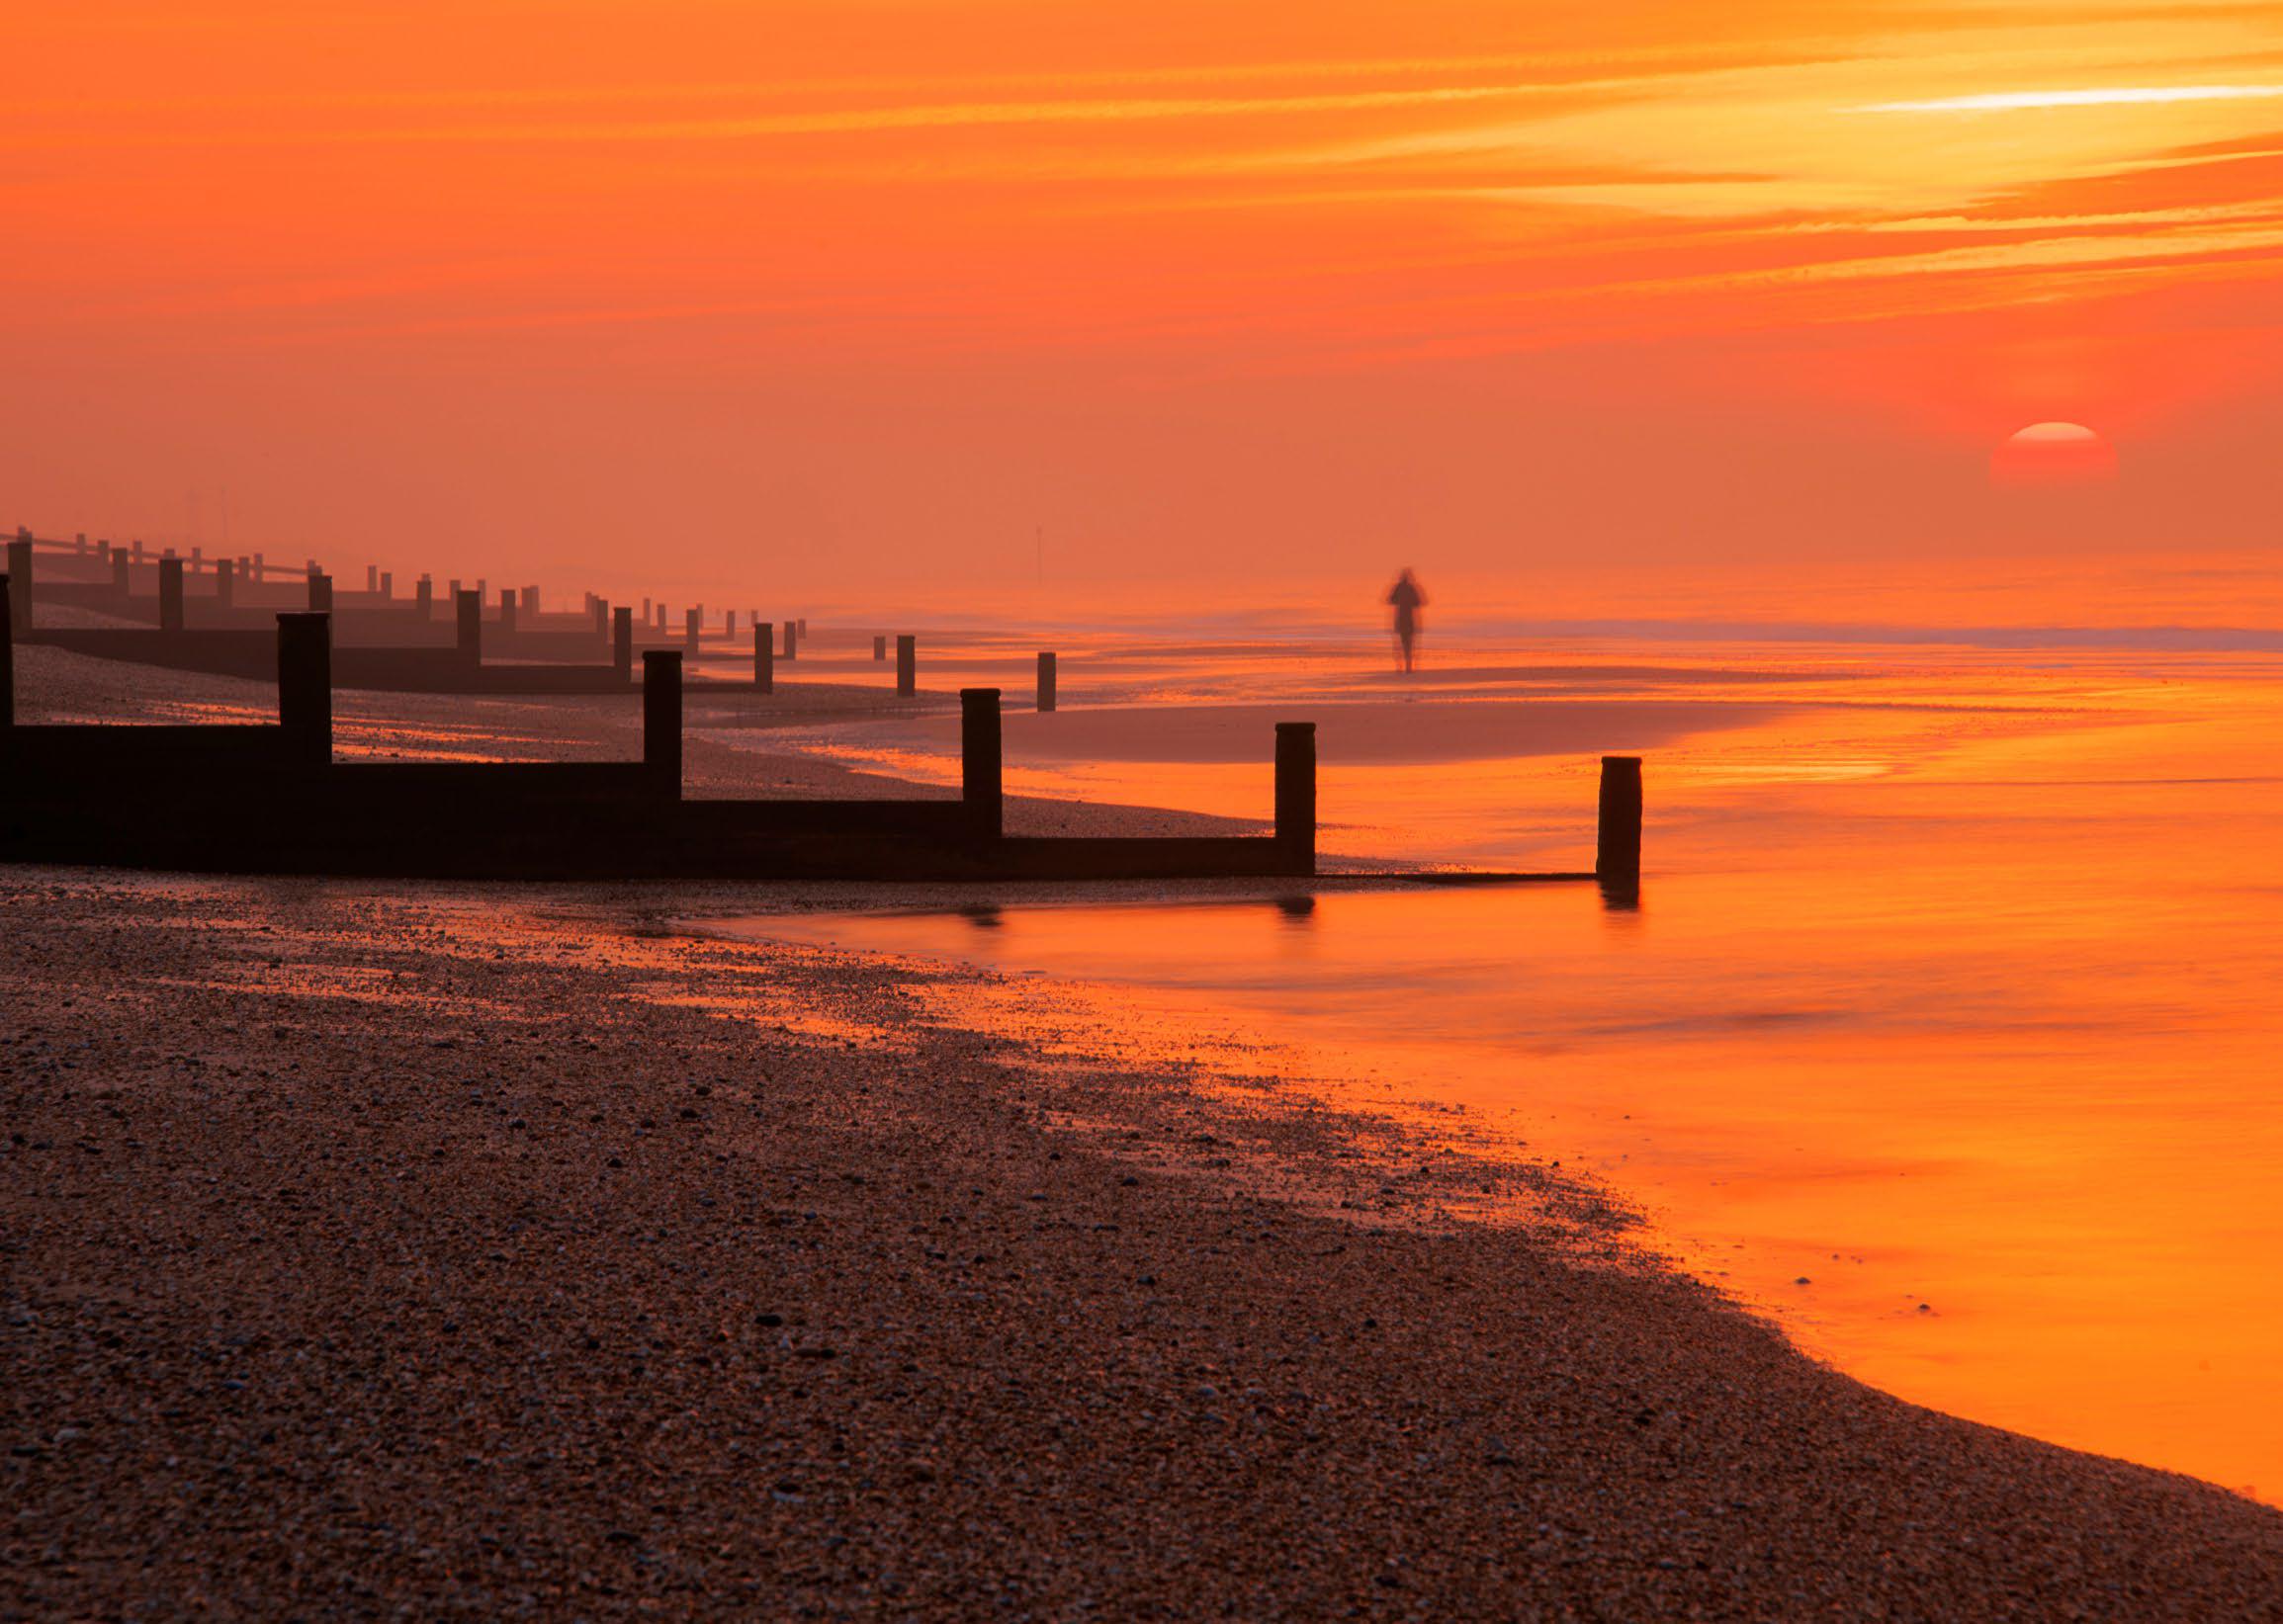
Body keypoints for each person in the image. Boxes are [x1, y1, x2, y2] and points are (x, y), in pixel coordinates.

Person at [1386, 568, 1426, 672]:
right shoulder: (1411, 588)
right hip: (1409, 620)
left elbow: (1390, 600)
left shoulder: (1398, 588)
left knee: (1402, 643)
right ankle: (1408, 666)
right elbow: (1419, 602)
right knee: (1409, 644)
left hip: (1401, 620)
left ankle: (1401, 666)